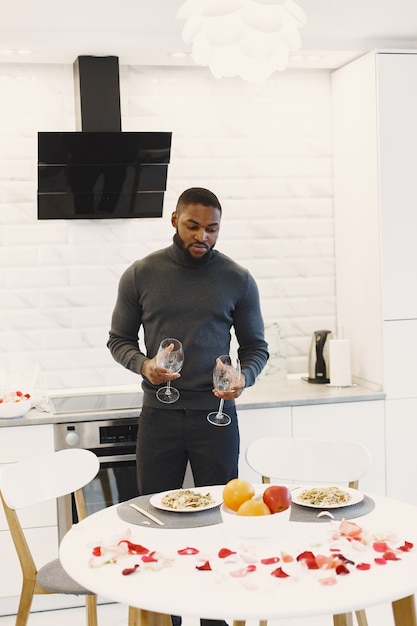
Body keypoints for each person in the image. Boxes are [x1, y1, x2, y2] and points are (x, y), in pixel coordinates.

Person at [108, 187, 268, 626]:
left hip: (216, 417)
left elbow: (256, 347)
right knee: (156, 523)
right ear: (174, 219)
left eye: (212, 229)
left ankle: (214, 617)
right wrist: (143, 365)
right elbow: (118, 340)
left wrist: (244, 377)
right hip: (158, 414)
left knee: (219, 523)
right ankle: (165, 618)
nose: (203, 236)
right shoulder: (141, 274)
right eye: (193, 226)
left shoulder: (237, 278)